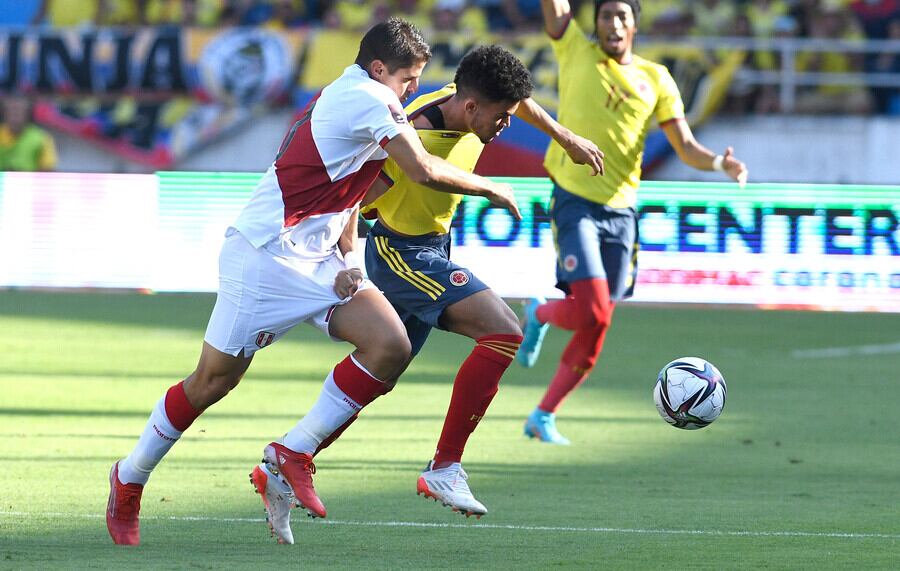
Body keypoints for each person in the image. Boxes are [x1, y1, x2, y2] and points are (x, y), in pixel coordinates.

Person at [106, 18, 521, 546]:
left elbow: (361, 179)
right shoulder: (370, 99)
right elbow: (419, 170)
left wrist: (349, 254)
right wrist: (489, 186)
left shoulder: (368, 100)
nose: (414, 88)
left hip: (320, 259)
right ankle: (129, 478)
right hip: (265, 255)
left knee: (389, 344)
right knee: (212, 382)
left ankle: (292, 452)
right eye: (408, 78)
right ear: (378, 69)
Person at [356, 45, 604, 519]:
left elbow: (515, 100)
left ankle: (294, 454)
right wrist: (349, 232)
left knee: (380, 372)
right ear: (472, 108)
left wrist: (563, 135)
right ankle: (444, 467)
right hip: (399, 250)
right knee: (504, 330)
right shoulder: (420, 133)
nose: (506, 123)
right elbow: (370, 185)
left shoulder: (468, 97)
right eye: (501, 117)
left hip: (434, 244)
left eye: (509, 114)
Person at [517, 0, 749, 445]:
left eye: (622, 16)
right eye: (605, 16)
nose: (613, 24)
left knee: (598, 323)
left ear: (634, 25)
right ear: (596, 24)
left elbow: (685, 145)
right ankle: (539, 312)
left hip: (622, 212)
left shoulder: (656, 77)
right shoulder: (574, 50)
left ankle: (542, 415)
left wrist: (721, 162)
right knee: (593, 308)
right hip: (574, 201)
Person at [0, 97, 57, 172]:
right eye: (11, 111)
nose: (15, 115)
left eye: (19, 111)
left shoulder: (42, 138)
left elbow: (48, 169)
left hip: (30, 182)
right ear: (4, 113)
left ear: (27, 114)